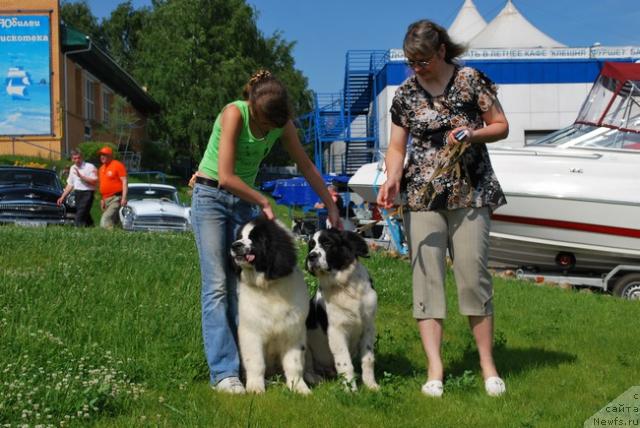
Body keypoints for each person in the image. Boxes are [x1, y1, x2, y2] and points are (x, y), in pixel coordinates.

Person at [377, 19, 509, 398]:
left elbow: (500, 125)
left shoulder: (470, 81)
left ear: (441, 52)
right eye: (410, 61)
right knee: (427, 280)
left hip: (472, 191)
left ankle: (488, 365)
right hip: (421, 195)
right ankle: (435, 368)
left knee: (472, 277)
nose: (417, 67)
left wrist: (474, 133)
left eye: (423, 60)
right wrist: (392, 176)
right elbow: (397, 146)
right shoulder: (404, 94)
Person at [191, 70, 341, 394]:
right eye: (262, 125)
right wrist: (262, 199)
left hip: (243, 203)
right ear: (253, 107)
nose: (265, 133)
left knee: (239, 289)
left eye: (271, 128)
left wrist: (329, 203)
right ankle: (224, 373)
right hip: (212, 199)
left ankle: (248, 366)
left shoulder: (281, 123)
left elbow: (306, 165)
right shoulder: (235, 114)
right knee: (217, 286)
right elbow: (226, 176)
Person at [57, 149, 98, 226]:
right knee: (83, 211)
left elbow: (95, 181)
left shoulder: (89, 167)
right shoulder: (72, 168)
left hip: (88, 192)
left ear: (82, 157)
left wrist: (82, 177)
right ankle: (91, 226)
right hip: (78, 193)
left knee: (81, 212)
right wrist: (62, 197)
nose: (77, 160)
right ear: (72, 159)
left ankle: (77, 229)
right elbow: (70, 184)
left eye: (78, 158)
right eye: (75, 158)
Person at [97, 146, 128, 229]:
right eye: (101, 155)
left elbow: (124, 182)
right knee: (115, 222)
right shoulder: (101, 169)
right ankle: (116, 237)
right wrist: (102, 200)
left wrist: (124, 198)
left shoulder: (117, 165)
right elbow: (102, 185)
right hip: (106, 199)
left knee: (105, 220)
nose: (102, 157)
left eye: (105, 155)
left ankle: (109, 236)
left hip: (115, 198)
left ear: (110, 156)